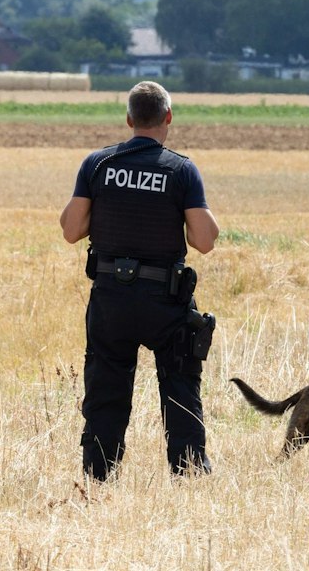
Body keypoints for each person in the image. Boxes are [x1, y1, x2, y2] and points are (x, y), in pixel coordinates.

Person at [59, 81, 220, 480]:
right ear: (168, 118)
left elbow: (70, 229)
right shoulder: (181, 170)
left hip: (111, 297)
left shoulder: (97, 165)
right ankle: (189, 472)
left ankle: (98, 474)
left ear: (129, 119)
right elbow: (204, 240)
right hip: (164, 298)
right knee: (180, 386)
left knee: (107, 389)